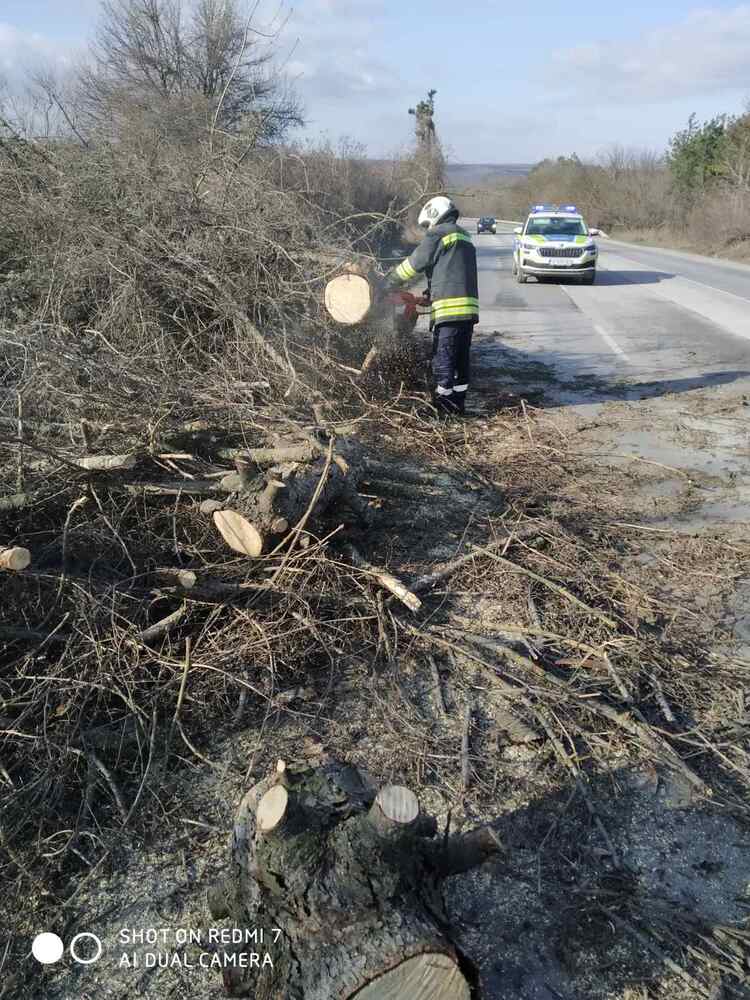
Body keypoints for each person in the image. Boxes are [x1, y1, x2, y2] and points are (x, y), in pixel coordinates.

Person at [385, 195, 479, 415]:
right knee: (460, 360)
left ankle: (441, 408)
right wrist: (430, 292)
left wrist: (387, 282)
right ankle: (457, 404)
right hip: (468, 310)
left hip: (450, 311)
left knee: (443, 360)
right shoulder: (464, 236)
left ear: (435, 214)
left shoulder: (439, 233)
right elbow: (450, 270)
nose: (428, 229)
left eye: (427, 224)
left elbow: (416, 262)